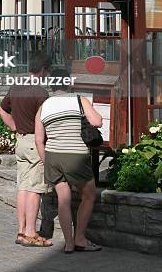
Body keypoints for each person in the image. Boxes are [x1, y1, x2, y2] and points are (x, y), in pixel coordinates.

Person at [35, 73, 103, 254]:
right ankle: (80, 238)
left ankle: (68, 244)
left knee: (63, 200)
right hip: (75, 155)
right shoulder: (78, 100)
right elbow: (97, 121)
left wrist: (46, 161)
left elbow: (39, 140)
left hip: (52, 156)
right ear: (69, 84)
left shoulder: (43, 106)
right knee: (89, 195)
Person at [0, 52, 52, 247]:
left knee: (22, 187)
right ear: (44, 70)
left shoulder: (16, 88)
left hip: (20, 141)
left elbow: (2, 109)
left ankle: (21, 230)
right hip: (34, 142)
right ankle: (31, 232)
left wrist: (13, 126)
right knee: (35, 188)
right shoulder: (41, 94)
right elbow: (42, 123)